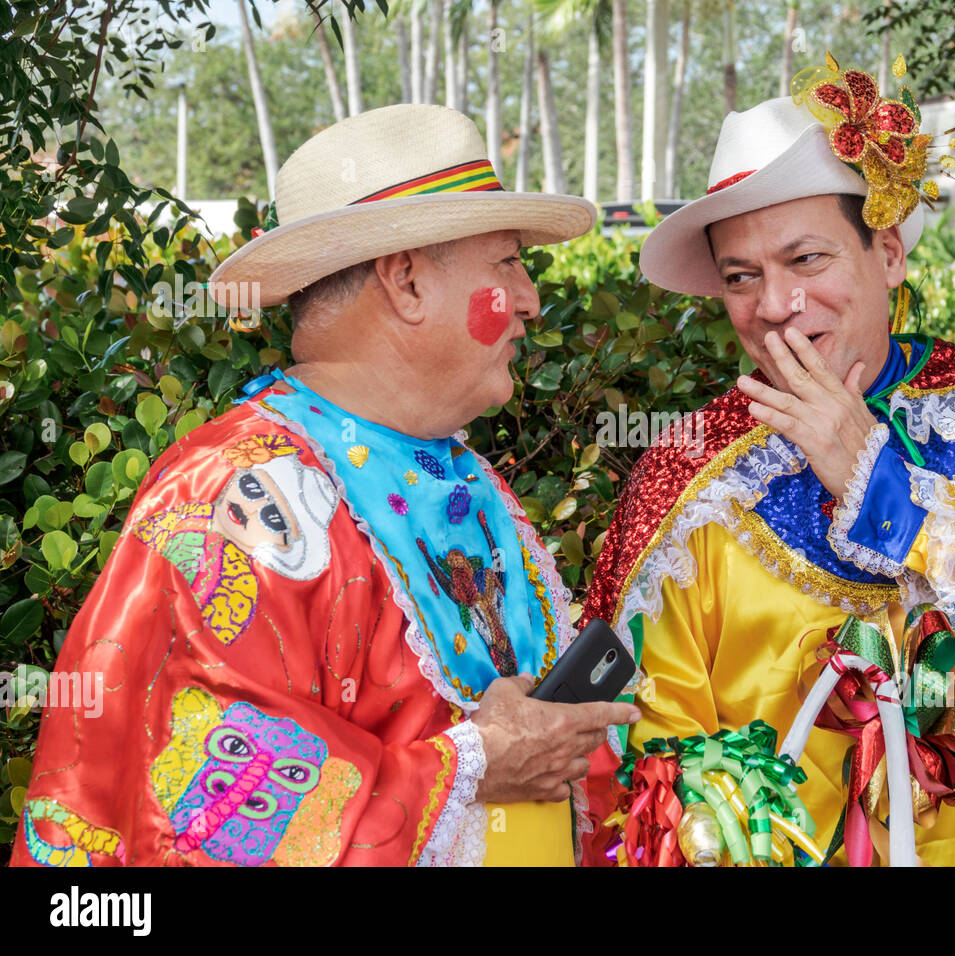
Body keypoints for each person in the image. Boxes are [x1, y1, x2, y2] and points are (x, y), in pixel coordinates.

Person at [12, 104, 639, 867]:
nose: (532, 300)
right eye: (508, 263)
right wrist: (469, 767)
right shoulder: (230, 496)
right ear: (406, 280)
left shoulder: (467, 481)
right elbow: (210, 799)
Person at [583, 56, 955, 866]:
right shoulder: (685, 471)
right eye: (742, 277)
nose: (775, 307)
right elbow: (643, 734)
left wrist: (876, 484)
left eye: (807, 261)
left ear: (887, 256)